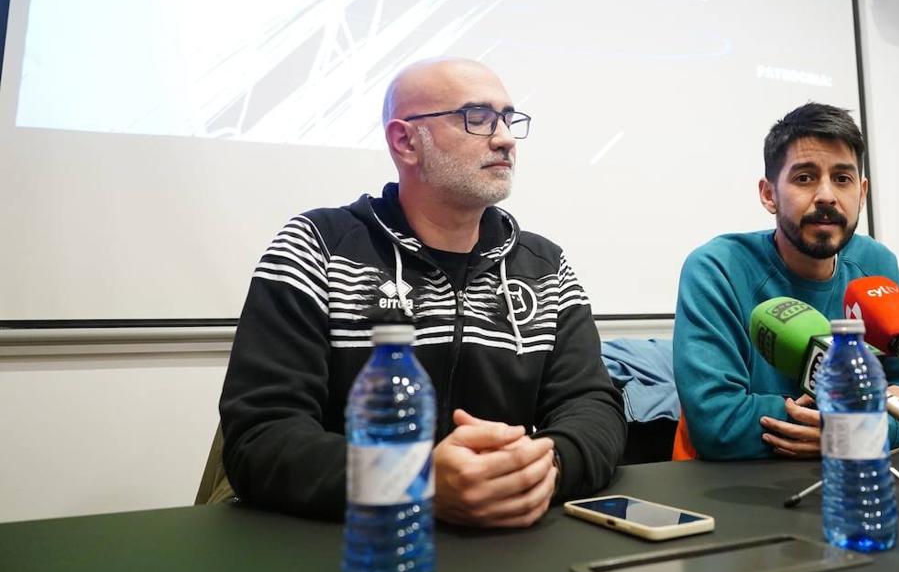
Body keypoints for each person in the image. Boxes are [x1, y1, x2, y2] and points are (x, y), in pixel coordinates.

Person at [219, 58, 625, 524]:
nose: (506, 138)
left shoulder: (544, 266)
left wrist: (547, 466)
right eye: (477, 118)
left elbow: (592, 405)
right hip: (347, 546)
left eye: (509, 118)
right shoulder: (317, 246)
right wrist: (416, 480)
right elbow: (262, 436)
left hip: (506, 543)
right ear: (405, 141)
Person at [672, 103, 899, 460]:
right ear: (769, 194)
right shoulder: (716, 268)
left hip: (855, 484)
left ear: (862, 193)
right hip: (733, 492)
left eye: (842, 179)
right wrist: (864, 424)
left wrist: (846, 434)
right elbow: (718, 423)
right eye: (805, 178)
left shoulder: (876, 265)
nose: (827, 196)